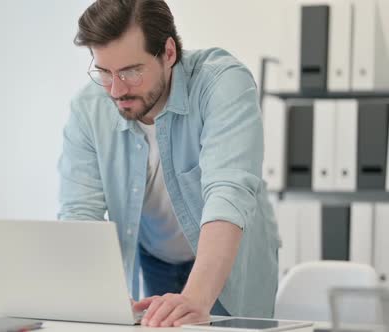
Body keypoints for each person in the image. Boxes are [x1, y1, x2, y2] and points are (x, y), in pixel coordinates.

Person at [57, 0, 279, 327]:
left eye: (132, 71)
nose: (117, 90)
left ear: (169, 53)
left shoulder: (222, 83)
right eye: (104, 72)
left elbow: (228, 193)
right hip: (153, 257)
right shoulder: (88, 109)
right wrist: (95, 297)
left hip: (225, 262)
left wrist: (195, 298)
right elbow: (79, 212)